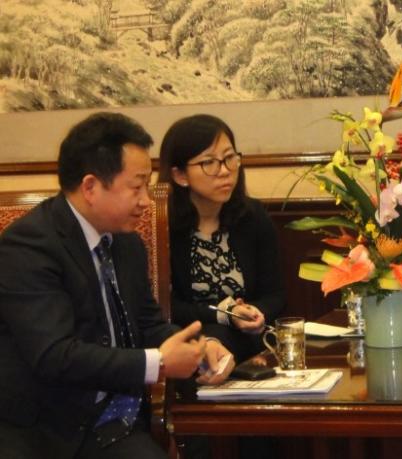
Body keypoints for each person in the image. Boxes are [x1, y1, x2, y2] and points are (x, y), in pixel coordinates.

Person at [0, 112, 235, 459]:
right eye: (136, 187)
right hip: (47, 430)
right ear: (91, 187)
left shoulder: (126, 242)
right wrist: (158, 363)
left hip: (113, 422)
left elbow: (148, 324)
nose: (146, 200)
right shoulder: (29, 247)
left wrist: (201, 347)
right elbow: (55, 356)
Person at [157, 114, 285, 362]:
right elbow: (166, 306)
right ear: (180, 175)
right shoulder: (162, 226)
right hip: (188, 344)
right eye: (209, 163)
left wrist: (254, 312)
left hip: (249, 340)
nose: (225, 171)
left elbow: (275, 294)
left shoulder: (253, 217)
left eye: (229, 158)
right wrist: (225, 314)